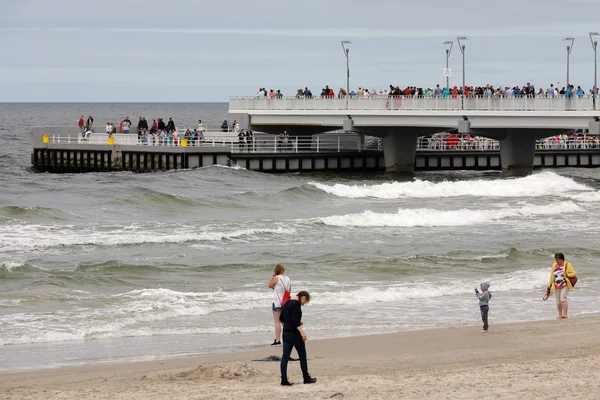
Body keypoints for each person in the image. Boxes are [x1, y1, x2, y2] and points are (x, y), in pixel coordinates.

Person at [279, 291, 316, 386]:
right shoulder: (296, 304)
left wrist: (290, 324)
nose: (304, 304)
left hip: (285, 333)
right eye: (305, 301)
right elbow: (295, 322)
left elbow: (281, 318)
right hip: (295, 334)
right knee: (302, 356)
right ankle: (306, 378)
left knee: (285, 357)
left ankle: (283, 379)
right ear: (303, 297)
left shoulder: (287, 302)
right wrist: (302, 332)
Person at [546, 253, 577, 319]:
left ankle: (565, 314)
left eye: (558, 259)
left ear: (562, 259)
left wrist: (567, 274)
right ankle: (560, 315)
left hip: (564, 285)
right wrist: (549, 285)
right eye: (555, 259)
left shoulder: (567, 264)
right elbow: (552, 276)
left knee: (563, 299)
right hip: (556, 286)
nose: (557, 261)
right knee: (558, 301)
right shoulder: (554, 265)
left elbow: (574, 273)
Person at [268, 264, 290, 346]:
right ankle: (287, 338)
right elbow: (289, 290)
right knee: (285, 322)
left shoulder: (276, 278)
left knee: (277, 322)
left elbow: (270, 285)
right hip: (286, 302)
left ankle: (277, 340)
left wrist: (272, 276)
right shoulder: (287, 278)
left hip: (277, 302)